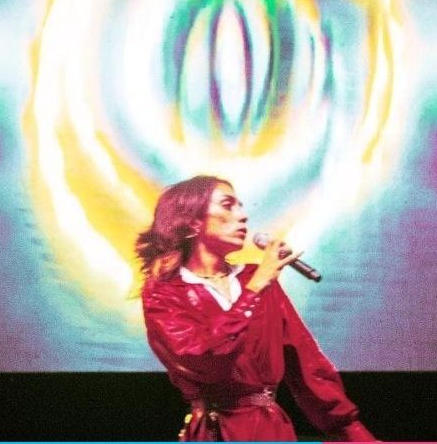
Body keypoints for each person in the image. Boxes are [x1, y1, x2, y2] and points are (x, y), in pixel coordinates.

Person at [137, 175, 377, 441]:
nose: (243, 216)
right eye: (228, 205)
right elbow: (206, 359)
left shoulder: (258, 280)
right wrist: (256, 287)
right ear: (193, 221)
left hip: (269, 431)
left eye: (241, 206)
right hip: (214, 433)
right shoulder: (164, 292)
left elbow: (308, 367)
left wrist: (352, 433)